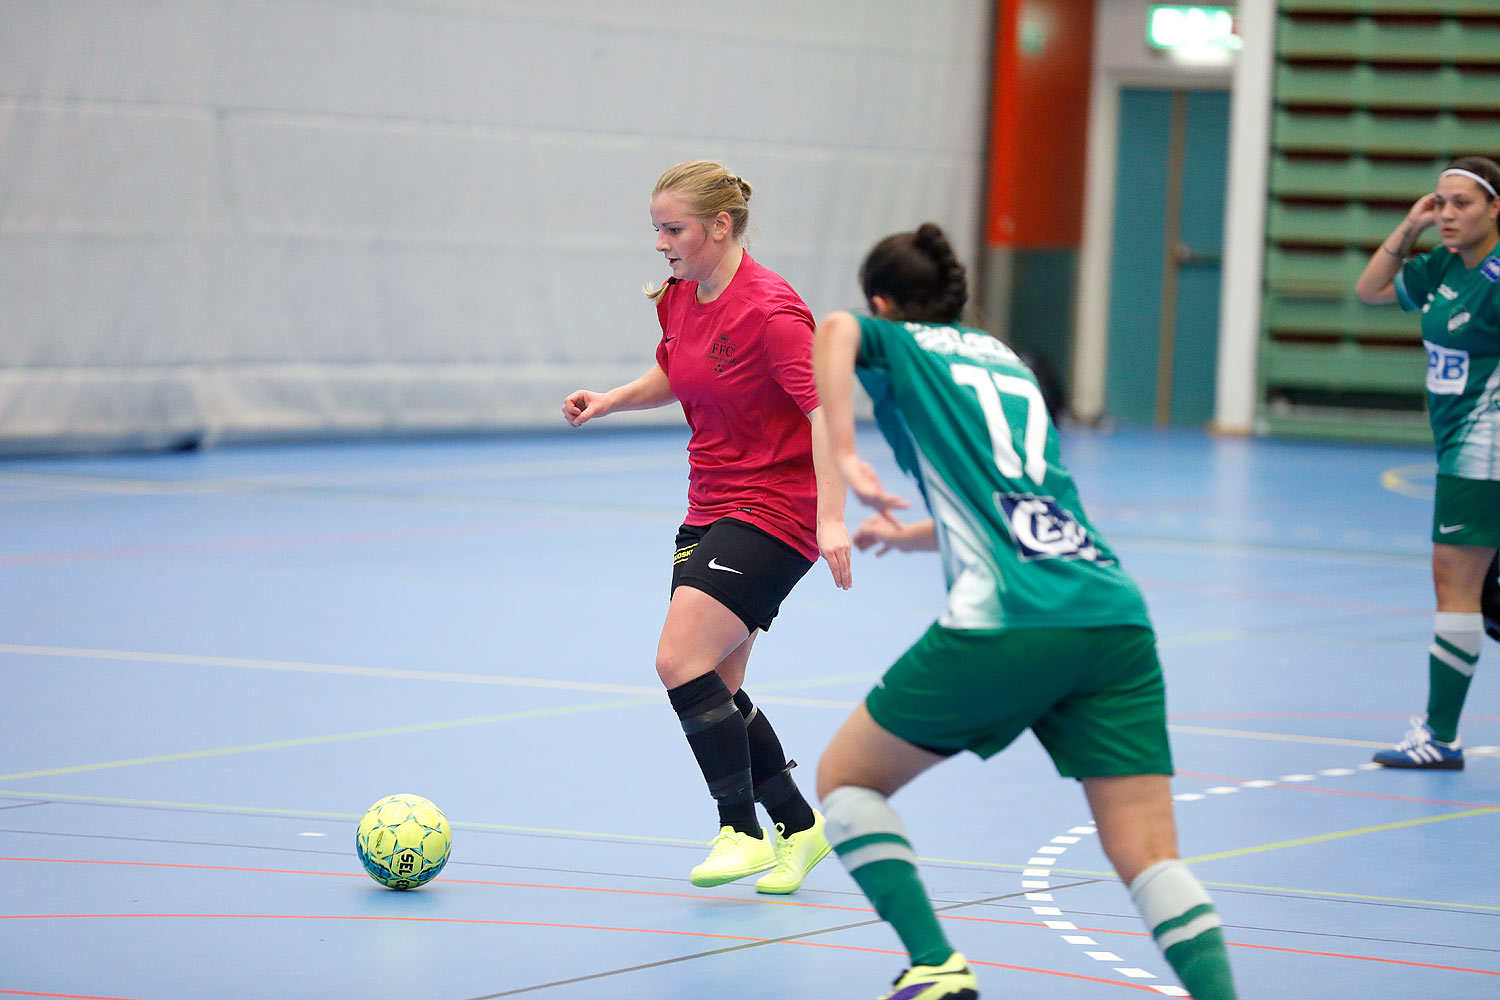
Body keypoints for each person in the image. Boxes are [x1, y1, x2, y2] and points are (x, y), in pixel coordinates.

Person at [809, 223, 1238, 999]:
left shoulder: (902, 344)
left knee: (847, 779)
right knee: (1149, 853)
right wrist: (913, 536)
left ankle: (934, 963)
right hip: (1111, 610)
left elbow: (834, 331)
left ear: (884, 303)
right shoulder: (1007, 359)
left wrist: (843, 454)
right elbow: (1016, 497)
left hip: (1011, 617)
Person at [562, 160, 849, 893]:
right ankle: (800, 827)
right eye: (656, 228)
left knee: (676, 659)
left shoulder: (774, 313)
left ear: (720, 226)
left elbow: (825, 414)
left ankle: (739, 830)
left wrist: (834, 516)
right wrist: (611, 399)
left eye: (674, 228)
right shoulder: (682, 297)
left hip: (777, 510)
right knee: (717, 683)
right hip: (709, 504)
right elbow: (676, 374)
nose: (662, 242)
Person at [1356, 156, 1500, 770]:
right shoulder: (1444, 264)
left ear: (1495, 208)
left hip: (1484, 442)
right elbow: (1370, 292)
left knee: (1456, 583)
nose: (1447, 213)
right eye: (1439, 202)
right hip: (1460, 439)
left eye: (1461, 203)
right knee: (1479, 595)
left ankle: (1440, 736)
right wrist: (1408, 228)